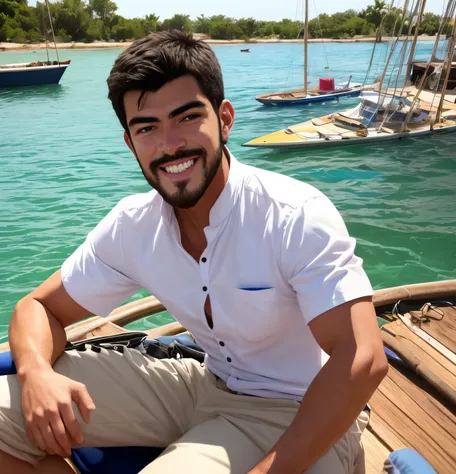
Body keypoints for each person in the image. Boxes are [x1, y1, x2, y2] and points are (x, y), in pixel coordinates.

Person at [0, 30, 388, 474]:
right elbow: (37, 307)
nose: (169, 144)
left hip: (296, 407)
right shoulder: (134, 225)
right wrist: (36, 375)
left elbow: (361, 357)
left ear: (224, 119)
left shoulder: (293, 214)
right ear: (130, 143)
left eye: (187, 117)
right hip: (200, 381)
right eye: (147, 127)